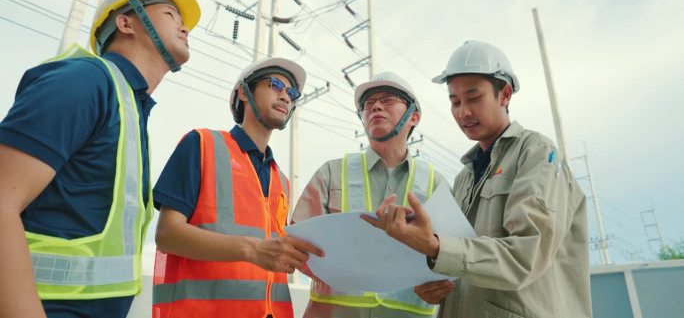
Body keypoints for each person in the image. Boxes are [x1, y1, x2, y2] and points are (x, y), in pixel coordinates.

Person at [0, 0, 201, 318]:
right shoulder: (85, 80)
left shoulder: (131, 108)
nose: (184, 27)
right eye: (170, 15)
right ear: (126, 23)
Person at [364, 40, 591, 318]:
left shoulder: (536, 154)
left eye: (474, 98)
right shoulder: (464, 178)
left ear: (505, 94)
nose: (463, 112)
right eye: (455, 101)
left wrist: (436, 246)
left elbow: (526, 257)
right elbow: (462, 262)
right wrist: (432, 279)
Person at [152, 57, 324, 318]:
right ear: (244, 92)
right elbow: (166, 234)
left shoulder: (282, 182)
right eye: (275, 84)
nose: (285, 96)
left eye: (292, 92)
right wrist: (251, 249)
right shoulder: (201, 144)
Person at [293, 71, 450, 318]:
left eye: (388, 99)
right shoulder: (331, 173)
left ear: (414, 117)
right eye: (368, 104)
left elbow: (453, 257)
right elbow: (295, 246)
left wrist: (442, 285)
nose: (375, 106)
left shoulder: (435, 184)